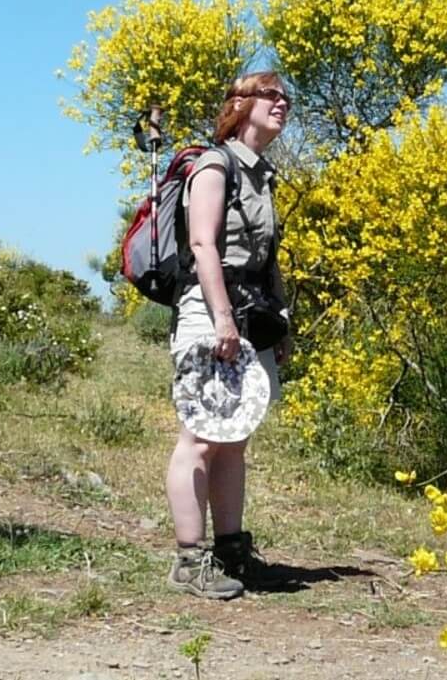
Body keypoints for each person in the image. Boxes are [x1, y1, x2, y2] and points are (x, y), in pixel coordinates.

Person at [164, 71, 294, 600]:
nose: (282, 104)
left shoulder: (264, 175)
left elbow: (266, 260)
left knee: (233, 439)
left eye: (286, 98)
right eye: (271, 95)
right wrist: (221, 319)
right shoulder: (215, 165)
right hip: (210, 310)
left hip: (250, 313)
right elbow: (203, 246)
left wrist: (280, 323)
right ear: (241, 105)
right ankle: (188, 560)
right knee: (199, 438)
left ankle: (231, 550)